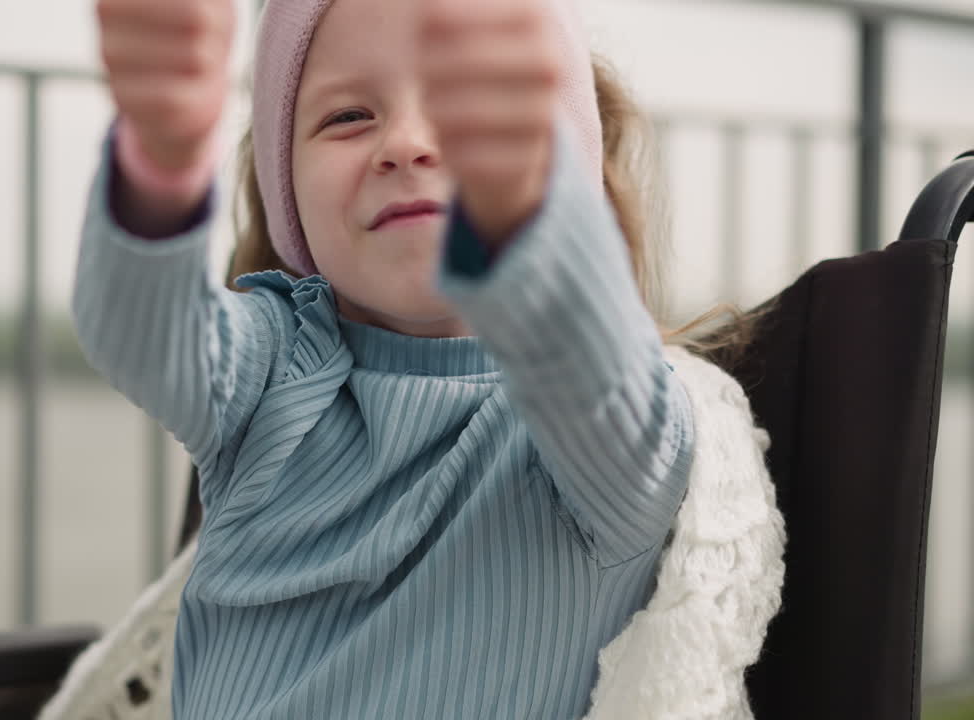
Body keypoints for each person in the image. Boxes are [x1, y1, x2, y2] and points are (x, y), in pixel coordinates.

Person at [62, 0, 786, 717]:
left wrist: (522, 232)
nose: (405, 143)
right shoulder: (272, 369)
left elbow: (591, 367)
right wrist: (158, 164)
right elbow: (143, 333)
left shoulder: (608, 430)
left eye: (467, 114)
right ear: (289, 189)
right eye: (348, 116)